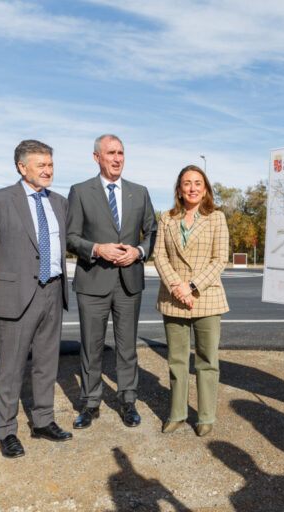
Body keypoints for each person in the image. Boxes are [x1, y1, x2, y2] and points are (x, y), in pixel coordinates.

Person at [0, 140, 72, 459]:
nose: (48, 171)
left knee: (47, 363)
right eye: (41, 165)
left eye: (50, 165)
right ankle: (5, 430)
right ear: (22, 167)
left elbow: (68, 241)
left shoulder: (59, 202)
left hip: (53, 290)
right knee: (12, 366)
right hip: (17, 295)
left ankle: (43, 421)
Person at [66, 134, 157, 429]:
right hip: (93, 281)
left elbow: (152, 232)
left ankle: (128, 400)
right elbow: (71, 237)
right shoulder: (80, 191)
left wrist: (139, 251)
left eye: (120, 153)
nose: (117, 158)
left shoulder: (139, 192)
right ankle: (91, 403)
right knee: (91, 346)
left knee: (127, 345)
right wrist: (96, 248)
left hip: (128, 282)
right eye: (110, 153)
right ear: (97, 157)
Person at [154, 165, 229, 437]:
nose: (193, 188)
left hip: (206, 297)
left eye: (198, 183)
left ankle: (206, 416)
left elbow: (220, 259)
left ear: (206, 188)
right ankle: (177, 414)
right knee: (176, 360)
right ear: (179, 189)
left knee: (207, 360)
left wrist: (192, 286)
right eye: (187, 183)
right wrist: (177, 286)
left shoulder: (216, 218)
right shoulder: (167, 218)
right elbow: (159, 256)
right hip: (173, 298)